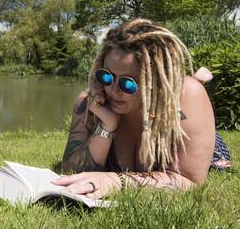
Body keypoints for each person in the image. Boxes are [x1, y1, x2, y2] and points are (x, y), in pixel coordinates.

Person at [52, 19, 231, 198]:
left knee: (189, 90)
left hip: (180, 120)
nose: (113, 90)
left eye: (128, 83)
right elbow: (70, 170)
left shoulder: (189, 96)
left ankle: (197, 79)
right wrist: (106, 126)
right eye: (106, 76)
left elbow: (190, 181)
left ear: (156, 81)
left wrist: (116, 181)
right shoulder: (90, 103)